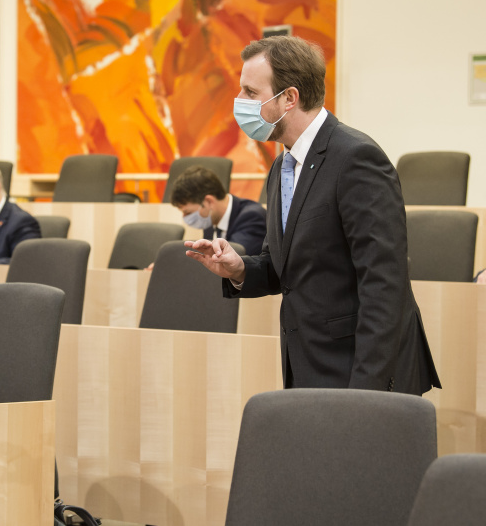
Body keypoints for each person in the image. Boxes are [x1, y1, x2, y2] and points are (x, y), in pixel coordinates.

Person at [186, 36, 440, 395]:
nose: (239, 103)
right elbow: (285, 266)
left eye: (250, 92)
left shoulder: (356, 158)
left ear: (289, 98)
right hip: (309, 367)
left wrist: (365, 392)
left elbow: (385, 286)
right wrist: (240, 269)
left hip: (360, 375)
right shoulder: (281, 167)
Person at [171, 166, 266, 255]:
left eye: (188, 212)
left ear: (209, 201)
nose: (184, 217)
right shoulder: (210, 220)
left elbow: (234, 262)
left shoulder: (252, 218)